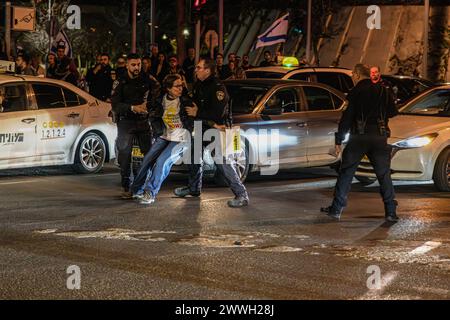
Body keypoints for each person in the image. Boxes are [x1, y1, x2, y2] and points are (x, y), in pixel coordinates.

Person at [321, 63, 399, 222]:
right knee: (384, 175)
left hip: (359, 137)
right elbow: (393, 112)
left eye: (352, 76)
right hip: (379, 137)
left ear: (357, 75)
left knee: (346, 172)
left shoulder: (356, 92)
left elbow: (347, 118)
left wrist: (339, 139)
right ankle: (390, 211)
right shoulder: (383, 90)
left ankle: (336, 209)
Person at [174, 57, 249, 208]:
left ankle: (241, 194)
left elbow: (216, 113)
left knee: (222, 162)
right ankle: (194, 188)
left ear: (207, 70)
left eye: (199, 67)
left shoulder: (218, 87)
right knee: (194, 156)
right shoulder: (199, 85)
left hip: (217, 128)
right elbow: (194, 103)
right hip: (202, 126)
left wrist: (197, 112)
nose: (196, 69)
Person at [130, 74, 194, 204]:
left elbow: (194, 117)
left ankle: (150, 193)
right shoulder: (160, 101)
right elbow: (152, 114)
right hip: (165, 136)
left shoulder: (186, 101)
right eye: (177, 86)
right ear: (168, 89)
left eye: (181, 85)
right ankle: (137, 190)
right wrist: (157, 131)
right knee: (147, 160)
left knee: (162, 162)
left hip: (181, 138)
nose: (180, 88)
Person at [111, 53, 154, 198]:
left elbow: (158, 91)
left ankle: (142, 185)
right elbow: (115, 105)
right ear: (128, 65)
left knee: (148, 155)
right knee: (124, 155)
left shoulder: (147, 78)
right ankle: (126, 186)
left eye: (139, 64)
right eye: (134, 65)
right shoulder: (120, 81)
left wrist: (148, 105)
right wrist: (132, 107)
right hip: (126, 122)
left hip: (143, 121)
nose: (137, 67)